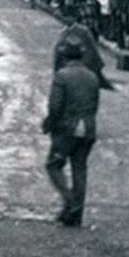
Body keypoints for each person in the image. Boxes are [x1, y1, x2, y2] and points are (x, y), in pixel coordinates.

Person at [41, 37, 100, 227]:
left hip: (68, 127)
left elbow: (55, 106)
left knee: (54, 164)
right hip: (88, 127)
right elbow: (95, 105)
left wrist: (49, 124)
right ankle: (77, 213)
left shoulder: (62, 76)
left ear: (64, 55)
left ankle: (70, 201)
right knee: (80, 168)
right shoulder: (92, 76)